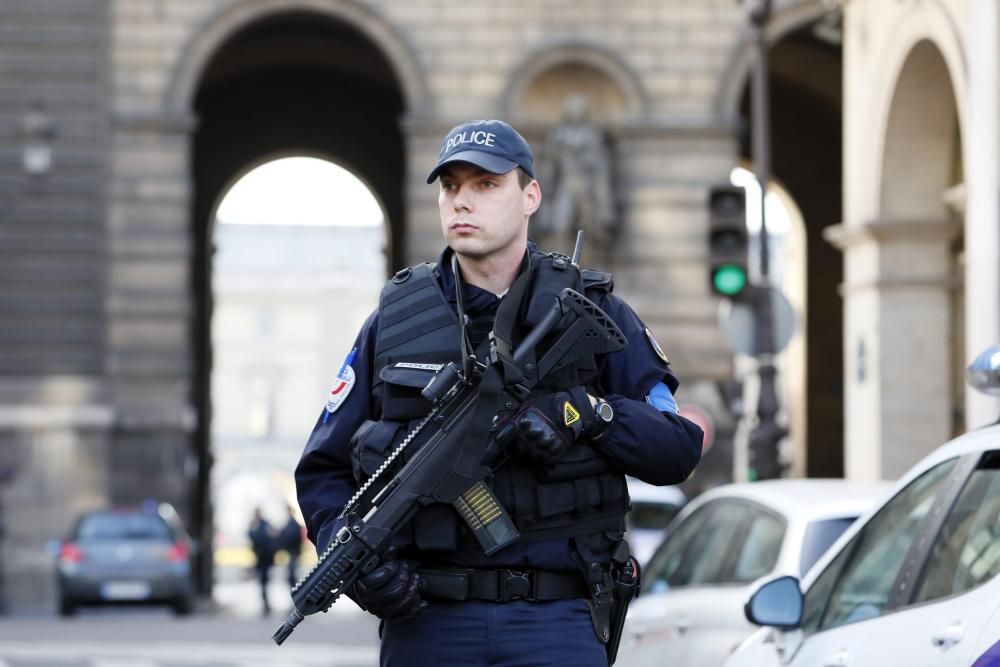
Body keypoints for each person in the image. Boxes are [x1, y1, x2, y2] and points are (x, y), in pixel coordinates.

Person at [296, 119, 703, 666]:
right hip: (427, 622)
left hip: (556, 617)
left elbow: (677, 447)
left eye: (485, 185)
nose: (462, 202)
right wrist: (350, 556)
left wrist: (587, 412)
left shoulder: (594, 311)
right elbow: (322, 471)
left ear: (530, 194)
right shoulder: (394, 323)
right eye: (450, 187)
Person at [248, 508, 275, 616]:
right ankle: (266, 604)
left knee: (264, 582)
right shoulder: (262, 525)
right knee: (264, 582)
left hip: (264, 558)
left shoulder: (261, 526)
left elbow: (258, 539)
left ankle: (266, 604)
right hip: (264, 558)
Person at [276, 505, 303, 589]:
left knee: (292, 575)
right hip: (291, 551)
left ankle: (296, 592)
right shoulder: (290, 524)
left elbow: (292, 537)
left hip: (293, 551)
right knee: (291, 574)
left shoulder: (294, 525)